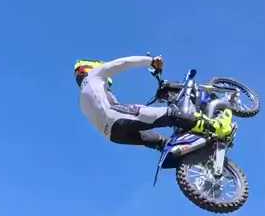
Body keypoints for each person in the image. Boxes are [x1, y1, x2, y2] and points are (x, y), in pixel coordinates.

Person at [74, 54, 233, 151]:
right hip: (115, 115)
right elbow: (122, 63)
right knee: (170, 114)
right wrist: (150, 61)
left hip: (113, 135)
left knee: (163, 143)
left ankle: (191, 156)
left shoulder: (82, 101)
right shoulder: (93, 74)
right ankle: (216, 127)